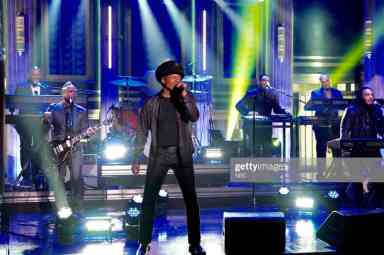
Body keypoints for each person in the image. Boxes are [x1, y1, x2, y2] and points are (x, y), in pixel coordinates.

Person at [132, 60, 206, 255]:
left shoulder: (185, 98)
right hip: (159, 155)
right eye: (172, 78)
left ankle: (195, 244)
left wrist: (184, 97)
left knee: (191, 200)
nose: (176, 81)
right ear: (163, 80)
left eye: (178, 78)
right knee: (148, 200)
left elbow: (194, 116)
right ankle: (144, 242)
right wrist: (136, 156)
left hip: (182, 154)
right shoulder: (151, 103)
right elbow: (141, 131)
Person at [43, 81, 96, 211]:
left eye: (74, 91)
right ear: (63, 93)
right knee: (59, 179)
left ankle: (77, 207)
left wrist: (89, 133)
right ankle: (61, 206)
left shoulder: (81, 111)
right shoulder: (54, 108)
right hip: (59, 149)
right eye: (69, 91)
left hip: (75, 148)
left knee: (77, 178)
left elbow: (86, 132)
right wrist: (44, 120)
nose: (72, 93)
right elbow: (44, 129)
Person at [341, 86, 384, 208]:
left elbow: (381, 130)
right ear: (361, 96)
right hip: (358, 148)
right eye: (367, 94)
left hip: (372, 147)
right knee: (358, 178)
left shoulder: (377, 110)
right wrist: (346, 149)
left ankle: (373, 202)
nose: (370, 97)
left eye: (371, 94)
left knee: (377, 176)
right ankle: (358, 204)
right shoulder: (352, 110)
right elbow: (345, 130)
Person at [236, 74, 290, 157]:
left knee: (267, 149)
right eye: (264, 80)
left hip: (266, 125)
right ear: (259, 81)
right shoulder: (252, 93)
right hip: (253, 126)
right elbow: (238, 105)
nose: (266, 82)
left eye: (267, 80)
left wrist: (286, 113)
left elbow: (277, 109)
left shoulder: (273, 94)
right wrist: (248, 112)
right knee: (255, 149)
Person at [14, 66, 47, 187]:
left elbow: (49, 105)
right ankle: (26, 175)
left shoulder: (45, 88)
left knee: (39, 148)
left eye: (37, 74)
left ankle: (38, 174)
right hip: (25, 123)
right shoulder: (21, 87)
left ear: (40, 75)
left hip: (40, 124)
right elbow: (14, 103)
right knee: (25, 148)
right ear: (29, 75)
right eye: (33, 74)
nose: (35, 76)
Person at [309, 74, 343, 157]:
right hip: (320, 125)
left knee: (337, 150)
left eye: (327, 81)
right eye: (323, 82)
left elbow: (342, 105)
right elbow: (312, 105)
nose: (325, 83)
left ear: (330, 80)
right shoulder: (315, 93)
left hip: (335, 124)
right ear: (320, 82)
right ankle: (321, 170)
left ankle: (337, 168)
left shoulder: (337, 93)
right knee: (321, 149)